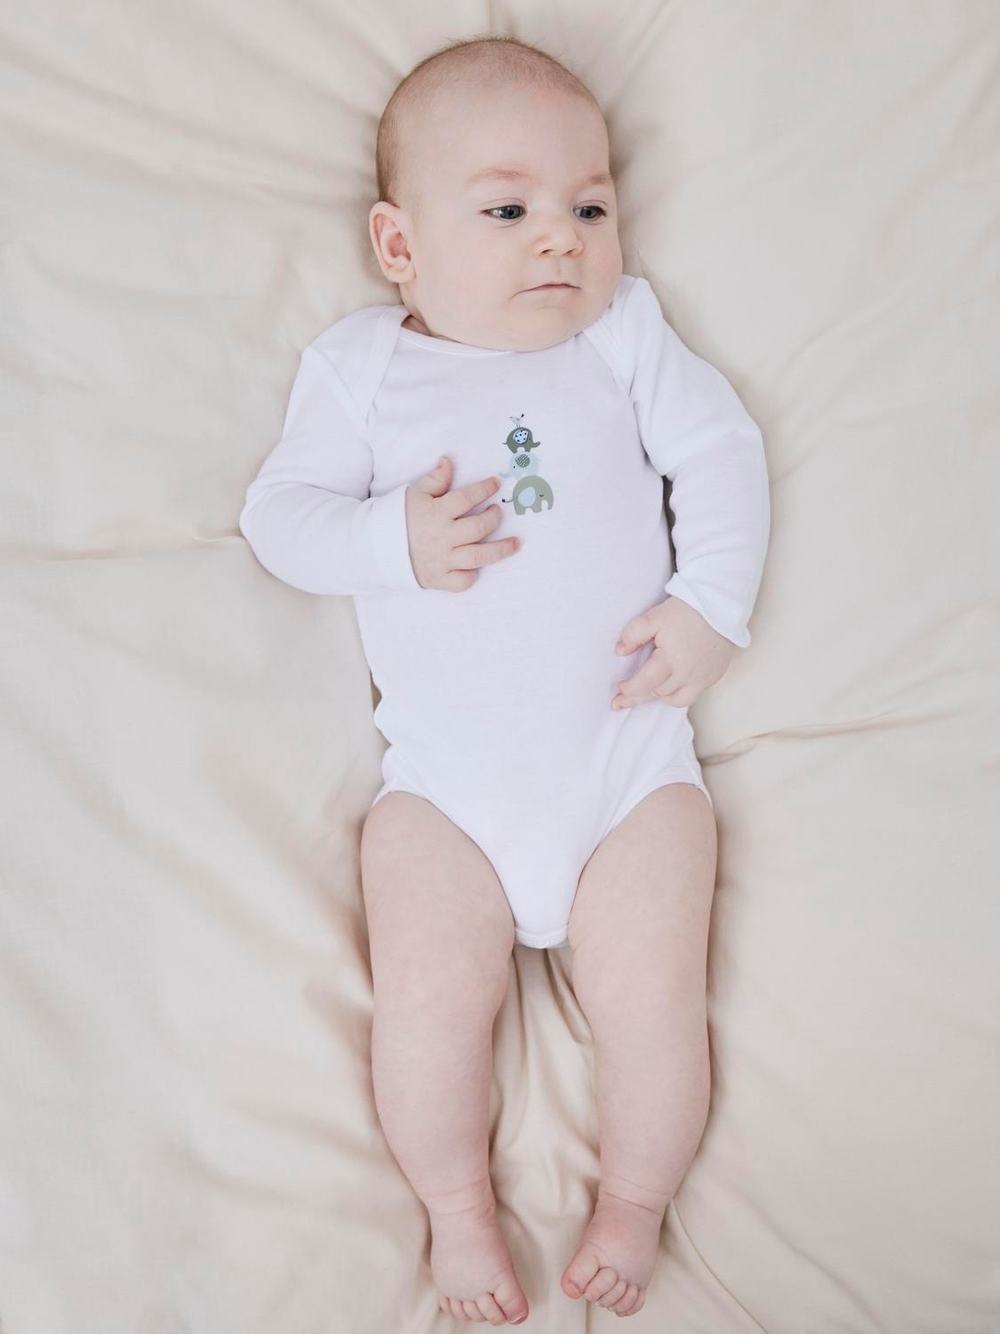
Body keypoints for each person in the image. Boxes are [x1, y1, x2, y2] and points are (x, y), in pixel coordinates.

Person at [238, 34, 770, 1327]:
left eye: (589, 207)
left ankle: (634, 1200)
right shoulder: (364, 368)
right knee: (426, 1009)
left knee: (654, 1006)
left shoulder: (624, 333)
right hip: (449, 797)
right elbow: (279, 518)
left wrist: (711, 605)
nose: (560, 243)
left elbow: (721, 451)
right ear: (399, 245)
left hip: (630, 771)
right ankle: (456, 1205)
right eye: (507, 210)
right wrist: (391, 543)